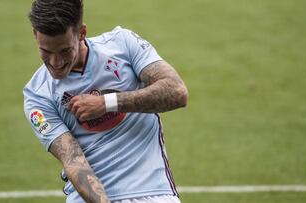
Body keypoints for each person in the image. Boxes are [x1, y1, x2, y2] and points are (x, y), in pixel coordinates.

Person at [23, 0, 188, 202]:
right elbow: (73, 160)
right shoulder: (37, 95)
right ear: (34, 35)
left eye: (65, 51)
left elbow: (177, 92)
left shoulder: (123, 44)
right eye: (46, 52)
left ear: (81, 33)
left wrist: (107, 103)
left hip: (152, 192)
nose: (55, 63)